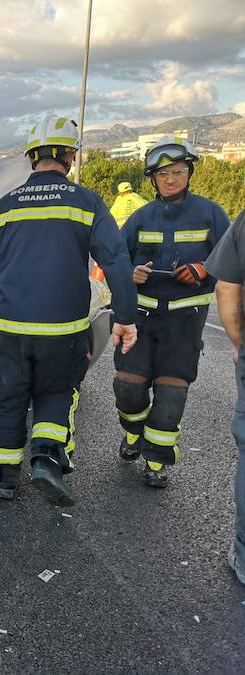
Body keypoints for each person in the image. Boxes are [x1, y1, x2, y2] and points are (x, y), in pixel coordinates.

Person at [0, 113, 138, 505]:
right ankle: (46, 458)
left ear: (31, 158)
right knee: (56, 393)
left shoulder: (5, 206)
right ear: (70, 158)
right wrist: (125, 318)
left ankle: (4, 478)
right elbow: (115, 262)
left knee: (9, 398)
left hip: (10, 329)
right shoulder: (87, 202)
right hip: (63, 331)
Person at [112, 136, 230, 487]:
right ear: (152, 179)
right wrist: (131, 273)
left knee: (171, 395)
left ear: (189, 172)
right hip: (140, 321)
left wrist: (203, 270)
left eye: (177, 171)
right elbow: (116, 260)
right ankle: (134, 435)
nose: (170, 179)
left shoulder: (211, 213)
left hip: (184, 324)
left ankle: (157, 461)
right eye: (162, 173)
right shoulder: (140, 217)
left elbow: (232, 258)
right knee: (128, 389)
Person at [204, 208, 245, 586]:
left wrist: (239, 342)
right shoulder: (141, 215)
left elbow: (226, 286)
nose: (169, 178)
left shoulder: (223, 217)